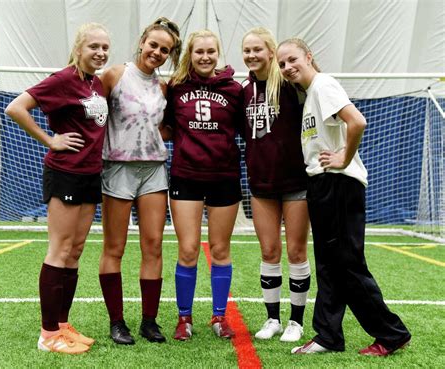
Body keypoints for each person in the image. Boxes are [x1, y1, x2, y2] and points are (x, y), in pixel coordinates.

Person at [276, 38, 411, 356]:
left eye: (292, 59)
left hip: (338, 183)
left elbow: (357, 121)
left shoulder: (323, 85)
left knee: (347, 265)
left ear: (308, 57)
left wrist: (344, 158)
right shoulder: (310, 95)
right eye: (281, 64)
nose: (287, 67)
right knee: (329, 265)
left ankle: (391, 333)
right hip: (322, 186)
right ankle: (328, 336)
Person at [5, 23, 110, 354]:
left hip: (91, 174)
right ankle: (48, 334)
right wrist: (50, 139)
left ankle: (62, 326)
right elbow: (15, 108)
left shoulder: (95, 83)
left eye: (105, 47)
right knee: (60, 249)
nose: (100, 52)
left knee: (76, 250)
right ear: (79, 48)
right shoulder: (63, 79)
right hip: (65, 173)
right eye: (94, 46)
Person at [98, 17, 182, 345]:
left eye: (165, 50)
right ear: (142, 41)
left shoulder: (163, 88)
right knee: (114, 247)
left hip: (153, 171)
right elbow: (91, 113)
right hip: (118, 169)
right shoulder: (115, 75)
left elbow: (168, 127)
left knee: (153, 246)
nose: (157, 52)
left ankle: (149, 321)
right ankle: (117, 322)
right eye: (154, 45)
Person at [165, 29, 244, 341]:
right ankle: (184, 318)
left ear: (218, 53)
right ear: (190, 54)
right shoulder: (175, 87)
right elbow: (167, 127)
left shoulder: (235, 90)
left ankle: (219, 316)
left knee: (221, 248)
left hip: (224, 177)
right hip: (186, 176)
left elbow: (244, 130)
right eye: (199, 51)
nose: (205, 56)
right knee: (187, 249)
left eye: (211, 51)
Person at [241, 27, 311, 342]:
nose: (252, 55)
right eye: (247, 50)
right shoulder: (242, 91)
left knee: (296, 251)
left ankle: (296, 321)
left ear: (271, 52)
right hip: (260, 184)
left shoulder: (291, 85)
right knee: (269, 250)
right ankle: (273, 319)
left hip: (296, 182)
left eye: (258, 49)